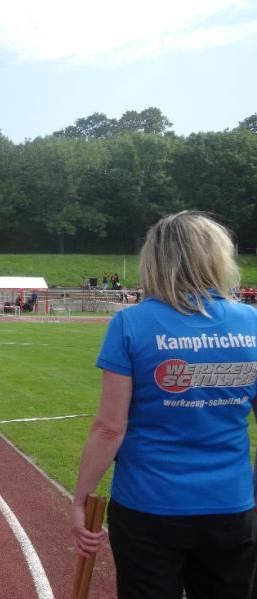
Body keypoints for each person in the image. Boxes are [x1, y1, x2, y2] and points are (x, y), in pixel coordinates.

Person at [71, 211, 257, 598]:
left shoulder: (131, 324)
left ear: (155, 261)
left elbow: (110, 427)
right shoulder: (250, 322)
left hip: (148, 506)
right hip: (230, 505)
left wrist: (80, 498)